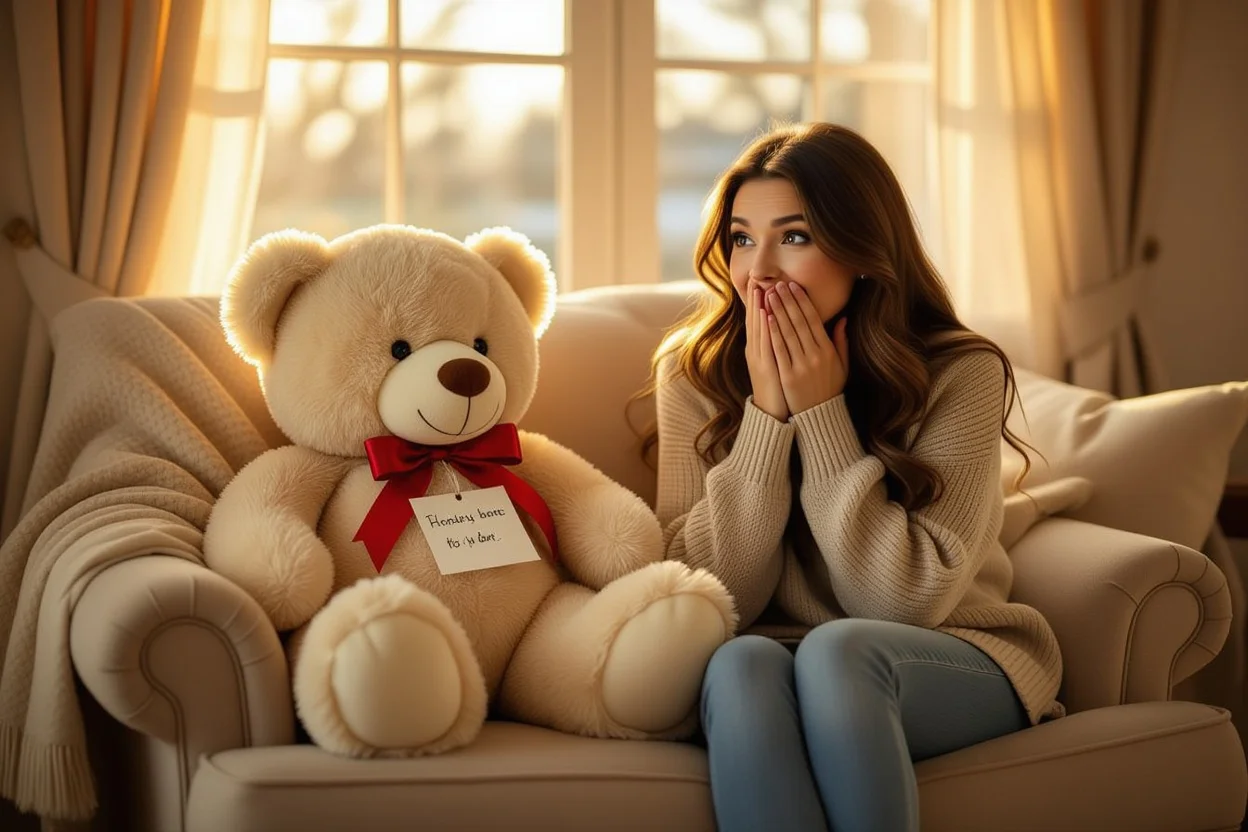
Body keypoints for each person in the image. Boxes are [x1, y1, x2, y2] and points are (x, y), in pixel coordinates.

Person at [643, 122, 1064, 832]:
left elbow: (902, 604)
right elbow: (716, 601)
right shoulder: (692, 374)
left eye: (796, 237)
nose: (760, 270)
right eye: (743, 238)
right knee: (739, 663)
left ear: (864, 250)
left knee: (841, 650)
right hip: (775, 655)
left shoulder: (961, 372)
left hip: (952, 655)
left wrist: (821, 414)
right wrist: (767, 419)